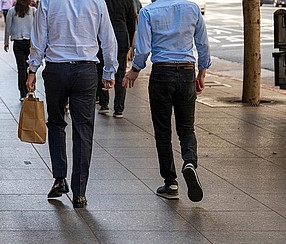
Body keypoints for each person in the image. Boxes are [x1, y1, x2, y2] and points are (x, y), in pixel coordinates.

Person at [26, 0, 118, 208]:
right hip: (85, 71)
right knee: (83, 130)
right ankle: (80, 193)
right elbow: (108, 39)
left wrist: (32, 69)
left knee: (57, 123)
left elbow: (39, 36)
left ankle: (59, 178)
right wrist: (109, 70)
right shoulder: (97, 1)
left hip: (57, 70)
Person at [123, 0, 210, 202]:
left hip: (162, 72)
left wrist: (135, 70)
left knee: (163, 132)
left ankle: (170, 183)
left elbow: (143, 48)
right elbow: (203, 44)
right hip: (187, 71)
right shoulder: (192, 8)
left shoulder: (148, 12)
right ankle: (189, 162)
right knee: (187, 128)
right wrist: (202, 72)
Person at [96, 0, 136, 118]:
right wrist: (128, 39)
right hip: (121, 37)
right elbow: (131, 22)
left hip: (102, 38)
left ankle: (104, 104)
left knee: (101, 69)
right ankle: (119, 108)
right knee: (120, 72)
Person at [4, 0, 36, 101]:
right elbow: (37, 28)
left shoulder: (12, 11)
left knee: (21, 68)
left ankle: (23, 93)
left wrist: (6, 42)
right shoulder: (33, 11)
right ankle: (30, 89)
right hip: (30, 42)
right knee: (31, 68)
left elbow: (7, 27)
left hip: (18, 43)